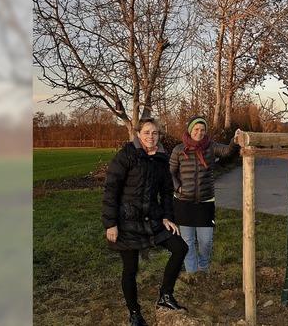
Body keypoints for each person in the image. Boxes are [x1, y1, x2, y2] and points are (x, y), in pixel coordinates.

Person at [102, 117, 188, 326]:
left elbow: (166, 192)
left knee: (180, 248)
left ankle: (165, 296)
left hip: (152, 220)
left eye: (155, 133)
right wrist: (110, 223)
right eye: (147, 132)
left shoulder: (161, 159)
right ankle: (134, 313)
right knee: (130, 269)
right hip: (127, 222)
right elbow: (111, 189)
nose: (151, 136)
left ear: (159, 136)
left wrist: (167, 216)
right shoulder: (126, 156)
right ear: (138, 134)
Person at [170, 116, 239, 274]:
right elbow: (170, 172)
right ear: (190, 130)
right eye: (196, 129)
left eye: (202, 130)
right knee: (187, 241)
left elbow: (227, 152)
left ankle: (203, 267)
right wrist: (178, 187)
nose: (199, 132)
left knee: (205, 241)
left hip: (205, 202)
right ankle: (192, 273)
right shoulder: (179, 150)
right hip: (183, 203)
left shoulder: (211, 147)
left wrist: (234, 141)